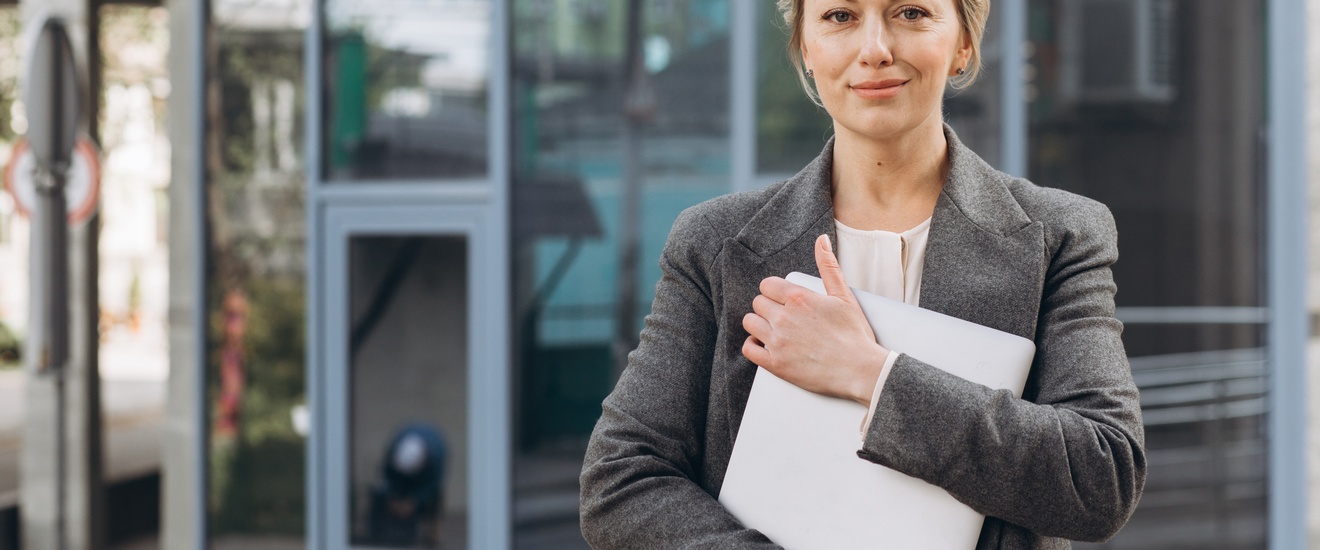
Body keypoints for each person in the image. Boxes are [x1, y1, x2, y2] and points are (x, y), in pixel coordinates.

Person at [578, 0, 1146, 548]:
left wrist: (871, 375)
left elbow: (1103, 478)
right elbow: (621, 479)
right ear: (804, 45)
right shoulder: (713, 243)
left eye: (912, 13)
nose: (874, 49)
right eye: (840, 16)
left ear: (964, 45)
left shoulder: (1062, 235)